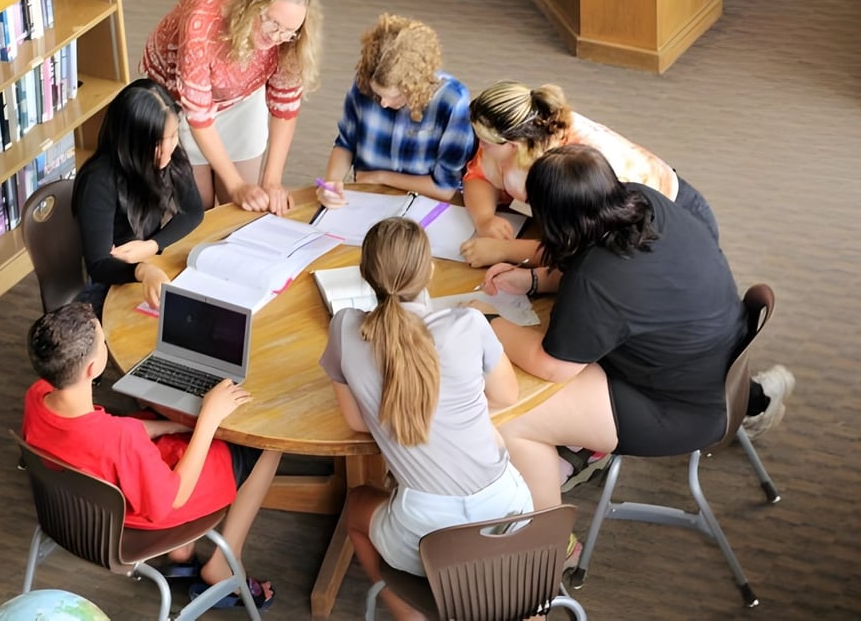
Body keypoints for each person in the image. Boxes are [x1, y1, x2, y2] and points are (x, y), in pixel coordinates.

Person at [476, 145, 795, 512]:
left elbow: (553, 365)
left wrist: (486, 322)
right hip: (716, 369)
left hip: (678, 411)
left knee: (513, 418)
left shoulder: (596, 280)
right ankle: (577, 451)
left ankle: (549, 549)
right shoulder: (641, 198)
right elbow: (621, 282)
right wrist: (534, 281)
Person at [319, 218, 533, 621]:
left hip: (424, 534)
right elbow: (507, 396)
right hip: (509, 515)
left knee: (356, 507)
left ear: (366, 276)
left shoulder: (345, 329)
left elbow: (357, 421)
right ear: (430, 270)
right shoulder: (467, 324)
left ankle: (413, 616)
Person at [23, 302, 280, 611]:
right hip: (136, 521)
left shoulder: (37, 396)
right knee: (267, 444)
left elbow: (107, 431)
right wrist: (209, 419)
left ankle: (182, 554)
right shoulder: (122, 440)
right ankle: (226, 561)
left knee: (173, 430)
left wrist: (170, 425)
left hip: (74, 513)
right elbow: (176, 496)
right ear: (93, 369)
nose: (105, 345)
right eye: (103, 343)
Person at [459, 81, 719, 268]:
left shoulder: (568, 172)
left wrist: (505, 250)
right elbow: (479, 177)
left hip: (665, 223)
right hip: (598, 225)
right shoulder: (519, 133)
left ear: (512, 145)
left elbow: (583, 248)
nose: (478, 144)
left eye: (483, 140)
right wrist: (484, 219)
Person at [141, 0, 322, 216]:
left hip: (240, 92)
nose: (277, 37)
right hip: (180, 97)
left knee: (239, 206)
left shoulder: (289, 38)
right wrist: (235, 184)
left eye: (288, 32)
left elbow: (285, 106)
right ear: (253, 4)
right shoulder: (203, 23)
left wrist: (271, 182)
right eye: (273, 24)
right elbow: (199, 116)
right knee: (197, 209)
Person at [72, 79, 203, 316]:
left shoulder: (170, 152)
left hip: (146, 263)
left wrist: (151, 246)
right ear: (133, 142)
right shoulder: (99, 181)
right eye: (157, 143)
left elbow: (193, 211)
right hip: (109, 281)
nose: (169, 148)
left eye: (173, 136)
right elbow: (99, 265)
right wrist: (141, 270)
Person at [315, 14, 475, 208]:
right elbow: (346, 143)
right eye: (378, 94)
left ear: (417, 86)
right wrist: (331, 183)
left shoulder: (453, 101)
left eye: (395, 96)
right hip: (370, 198)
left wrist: (380, 177)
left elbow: (445, 189)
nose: (383, 103)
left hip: (426, 204)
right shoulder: (363, 86)